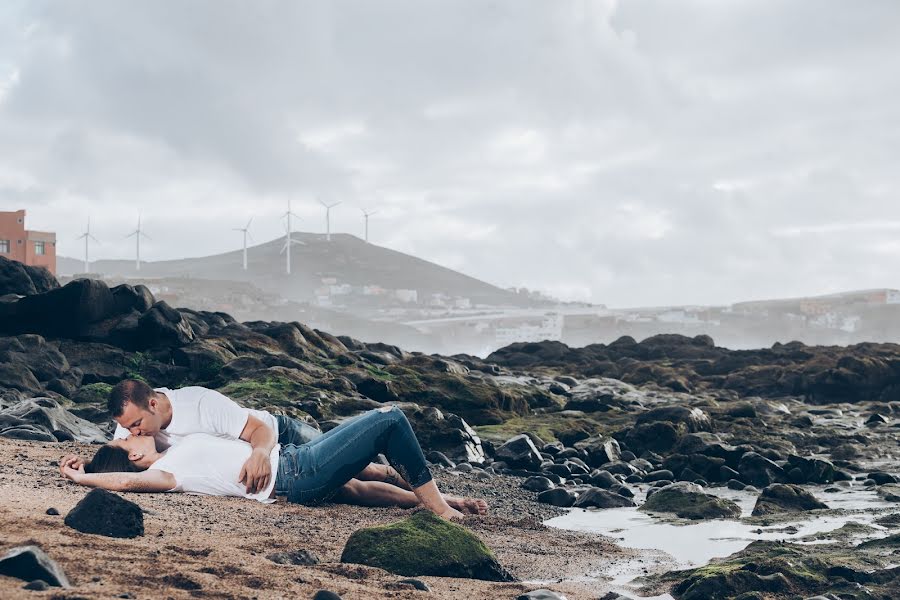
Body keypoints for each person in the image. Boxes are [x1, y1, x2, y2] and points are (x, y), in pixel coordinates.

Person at [59, 406, 488, 519]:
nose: (130, 433)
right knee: (388, 420)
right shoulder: (167, 473)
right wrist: (86, 479)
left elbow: (127, 446)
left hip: (293, 464)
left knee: (356, 489)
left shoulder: (174, 447)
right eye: (131, 436)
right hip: (297, 474)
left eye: (131, 428)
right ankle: (442, 511)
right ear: (134, 453)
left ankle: (432, 498)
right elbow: (128, 482)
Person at [66, 379, 322, 494]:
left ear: (153, 405)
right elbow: (122, 462)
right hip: (268, 462)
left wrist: (260, 454)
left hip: (274, 433)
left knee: (359, 463)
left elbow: (259, 431)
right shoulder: (132, 428)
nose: (132, 433)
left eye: (136, 424)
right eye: (127, 429)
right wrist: (88, 467)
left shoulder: (200, 403)